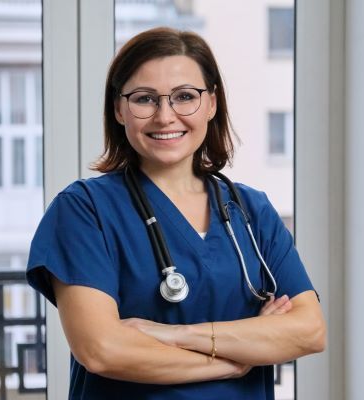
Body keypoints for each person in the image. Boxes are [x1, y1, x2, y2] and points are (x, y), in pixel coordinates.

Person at [27, 27, 326, 400]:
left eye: (185, 96)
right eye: (144, 99)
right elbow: (102, 350)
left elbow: (309, 331)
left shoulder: (251, 210)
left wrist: (174, 334)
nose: (165, 116)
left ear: (212, 104)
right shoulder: (84, 210)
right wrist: (236, 361)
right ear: (119, 109)